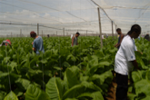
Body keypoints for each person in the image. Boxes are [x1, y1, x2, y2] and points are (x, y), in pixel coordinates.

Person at [114, 24, 141, 100]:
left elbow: (134, 49)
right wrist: (138, 68)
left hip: (121, 63)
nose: (138, 36)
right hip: (122, 67)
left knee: (121, 86)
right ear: (134, 32)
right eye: (138, 34)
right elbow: (132, 60)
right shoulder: (128, 42)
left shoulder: (129, 38)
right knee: (122, 87)